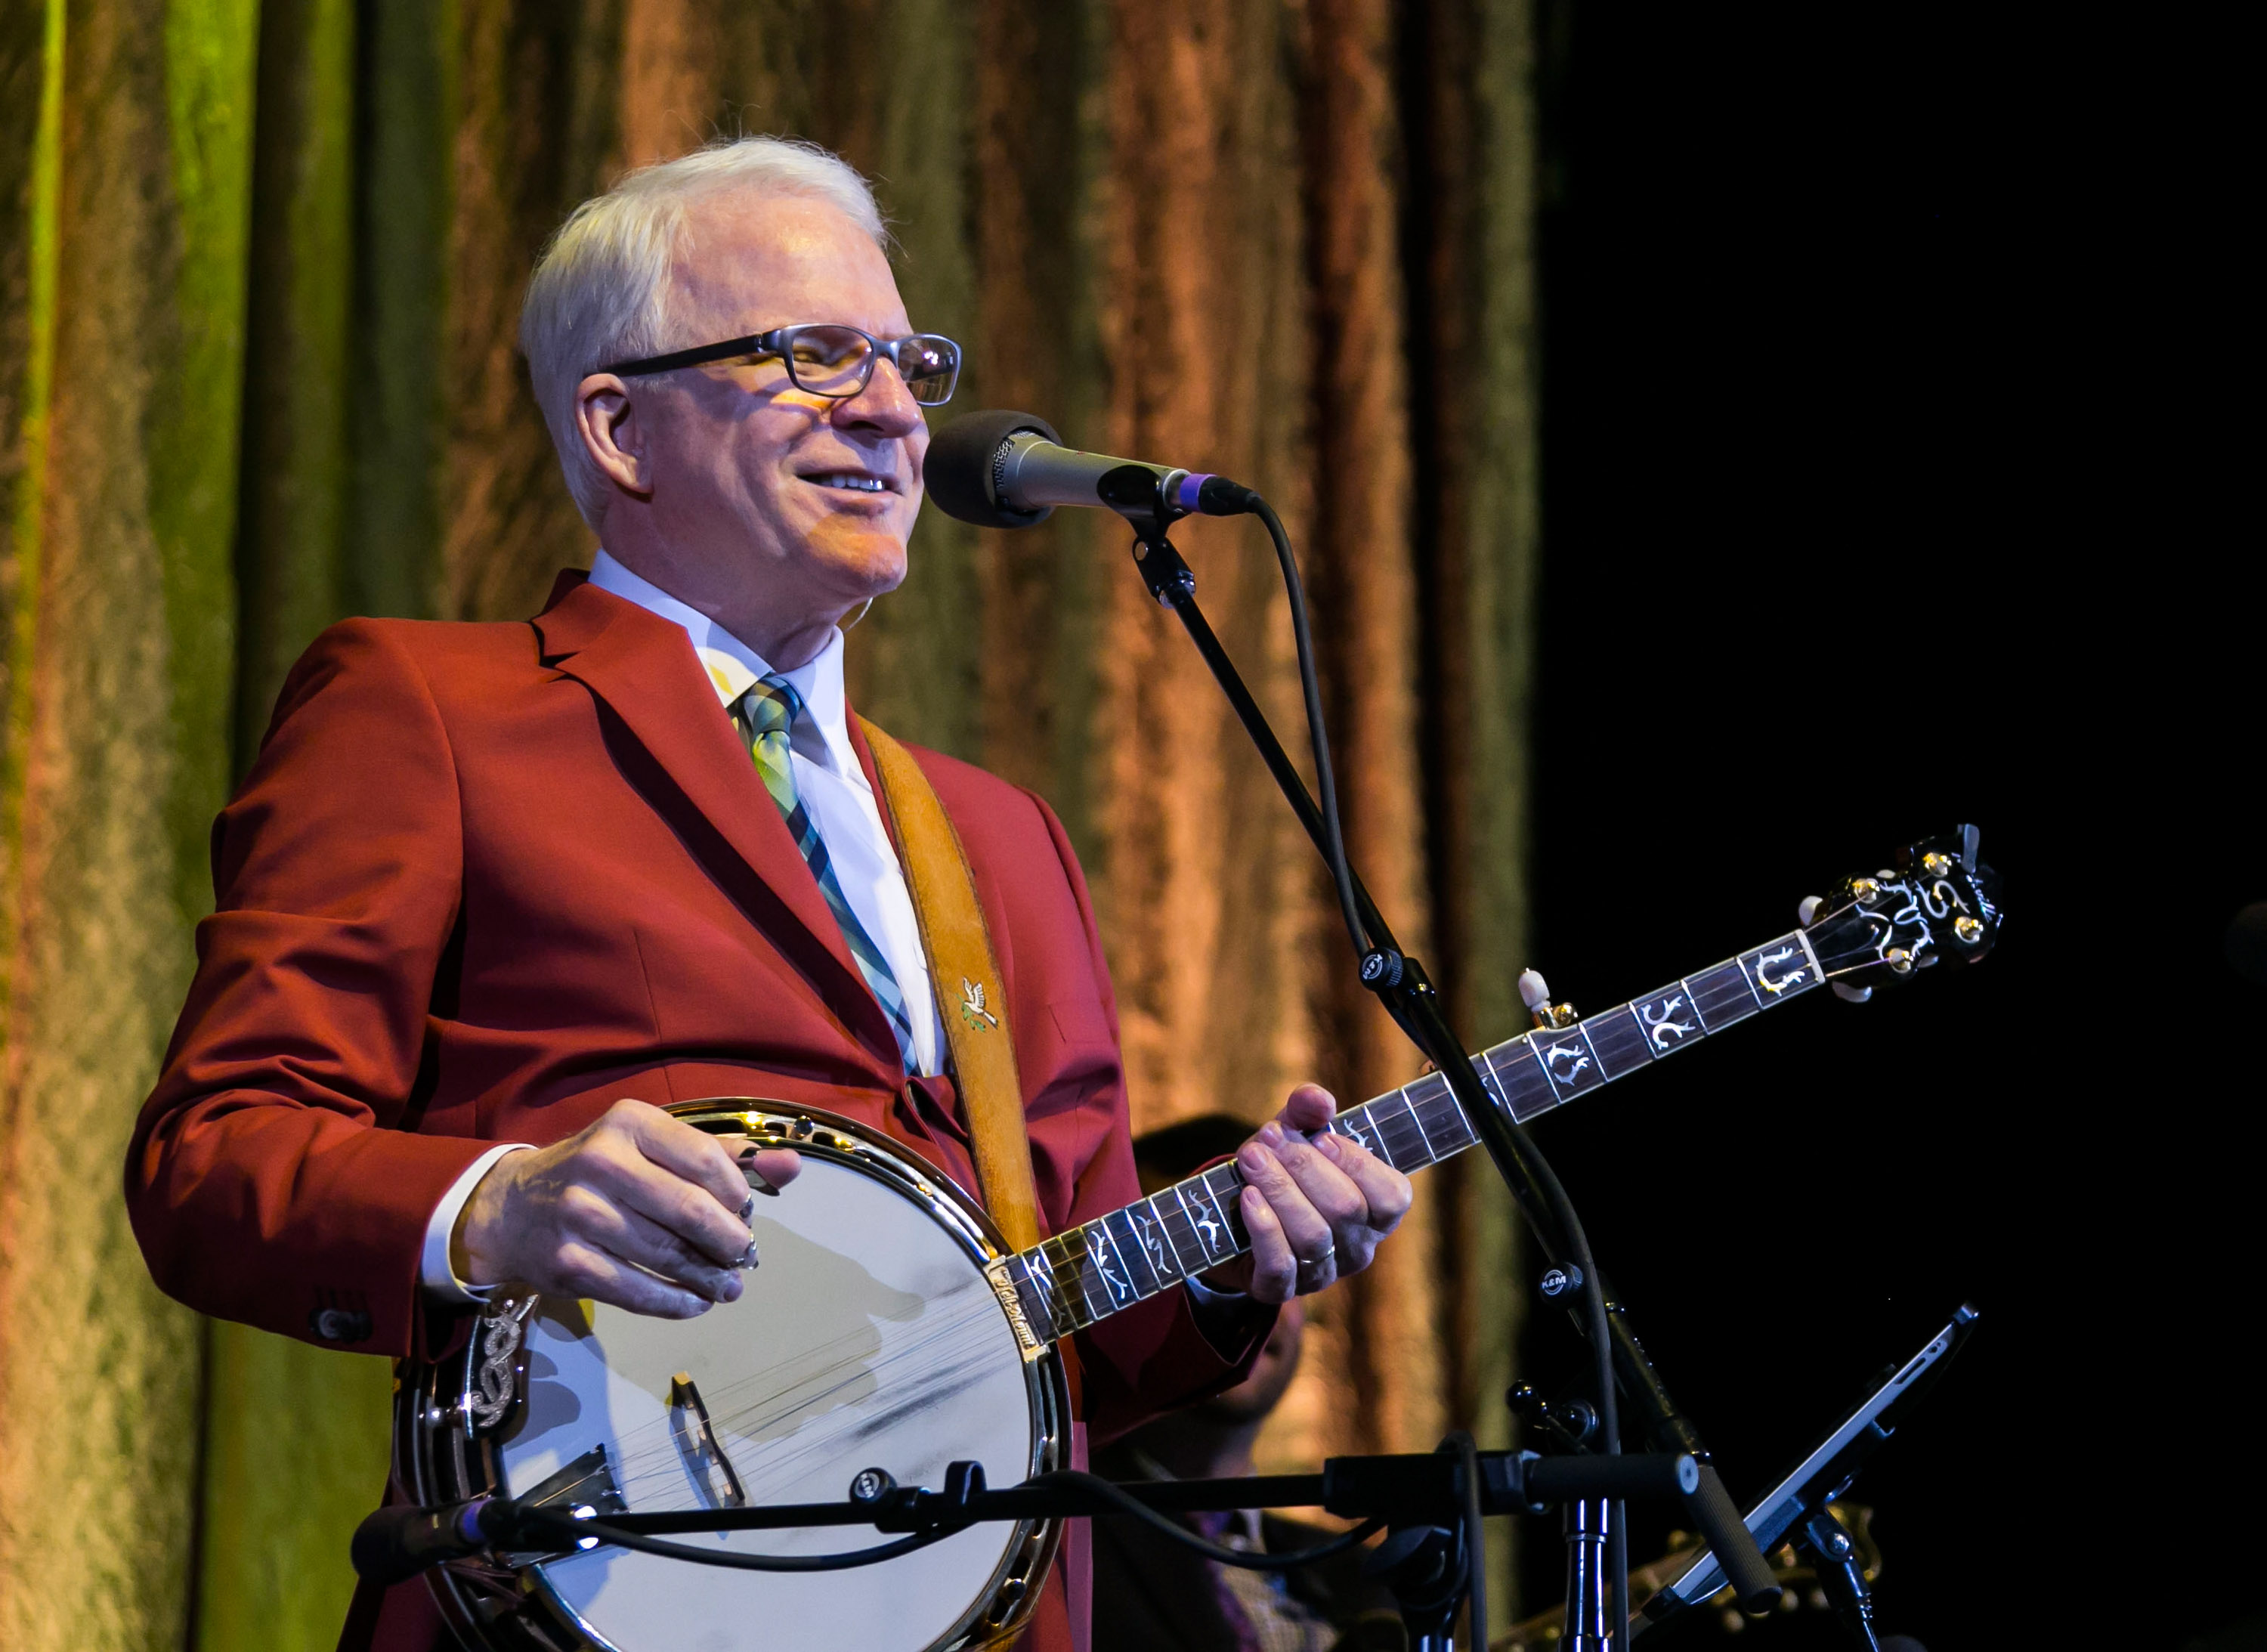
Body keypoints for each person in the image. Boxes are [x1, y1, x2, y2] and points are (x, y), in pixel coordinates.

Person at [123, 136, 1412, 1652]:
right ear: (619, 426)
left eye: (905, 360)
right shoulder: (428, 709)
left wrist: (1236, 1266)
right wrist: (495, 1205)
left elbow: (1068, 1330)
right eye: (811, 355)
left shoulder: (1004, 837)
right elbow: (211, 1162)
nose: (887, 408)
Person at [1092, 1115, 1407, 1652]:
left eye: (1277, 1254)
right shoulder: (1054, 1534)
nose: (1252, 1294)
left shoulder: (1363, 1581)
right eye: (1201, 1267)